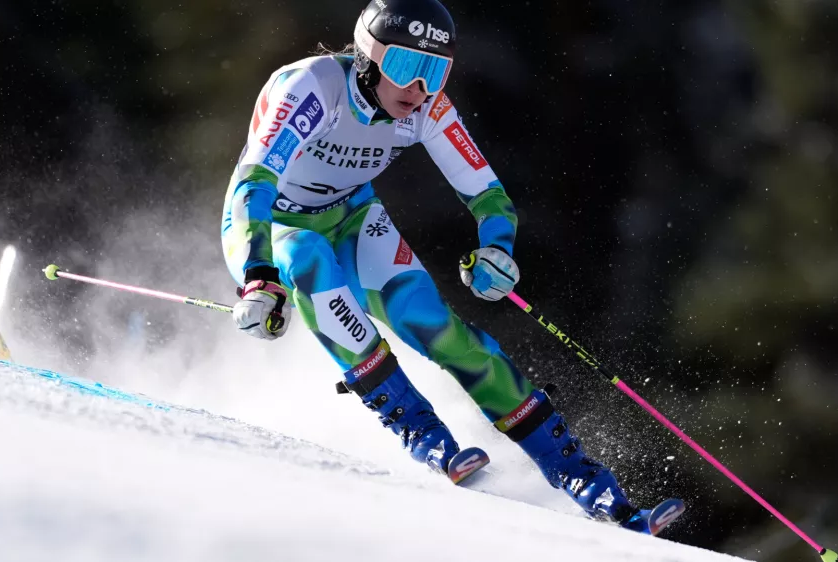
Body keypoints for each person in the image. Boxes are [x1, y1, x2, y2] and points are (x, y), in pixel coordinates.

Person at [221, 0, 656, 533]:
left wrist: (497, 248)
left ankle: (585, 481)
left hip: (352, 215)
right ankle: (424, 435)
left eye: (436, 71)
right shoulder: (312, 87)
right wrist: (259, 275)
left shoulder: (428, 108)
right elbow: (253, 183)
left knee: (431, 323)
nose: (419, 88)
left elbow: (489, 196)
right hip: (272, 224)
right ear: (368, 57)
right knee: (310, 265)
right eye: (406, 67)